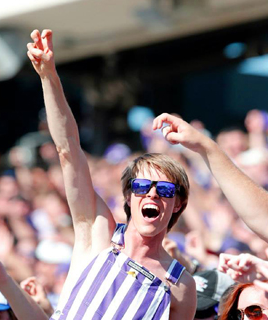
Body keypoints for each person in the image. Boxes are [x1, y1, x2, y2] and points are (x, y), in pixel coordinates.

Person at [27, 29, 196, 320]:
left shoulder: (180, 285)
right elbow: (68, 151)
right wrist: (49, 77)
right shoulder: (98, 233)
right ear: (129, 197)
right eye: (142, 186)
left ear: (178, 203)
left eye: (165, 190)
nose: (152, 194)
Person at [153, 113, 268, 243]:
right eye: (229, 142)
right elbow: (207, 201)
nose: (235, 145)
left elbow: (259, 155)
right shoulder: (209, 173)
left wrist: (257, 131)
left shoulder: (254, 162)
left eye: (238, 141)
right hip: (218, 234)